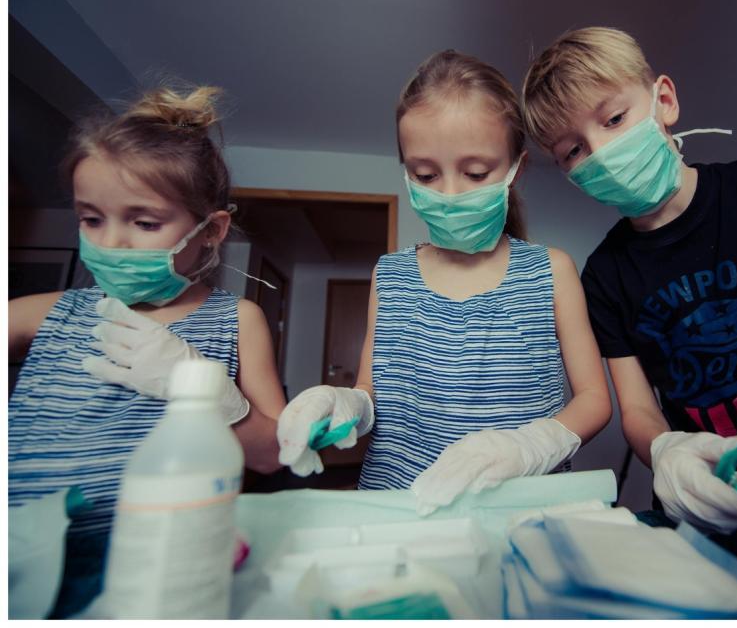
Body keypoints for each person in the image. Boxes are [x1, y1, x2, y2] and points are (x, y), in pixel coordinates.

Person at [521, 26, 737, 534]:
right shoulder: (606, 276)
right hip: (710, 503)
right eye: (573, 151)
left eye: (615, 119)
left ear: (664, 100)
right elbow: (639, 410)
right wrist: (667, 450)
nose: (602, 151)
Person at [277, 50, 612, 515]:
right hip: (399, 509)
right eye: (426, 174)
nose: (449, 194)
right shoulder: (390, 275)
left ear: (516, 167)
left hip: (519, 510)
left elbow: (594, 399)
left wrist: (532, 445)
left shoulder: (550, 271)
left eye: (476, 173)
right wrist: (342, 404)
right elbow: (371, 391)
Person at [8, 85, 285, 616]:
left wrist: (210, 392)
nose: (112, 242)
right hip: (22, 559)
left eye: (144, 222)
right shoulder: (49, 313)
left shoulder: (237, 320)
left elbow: (272, 456)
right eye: (92, 218)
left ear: (211, 231)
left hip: (161, 562)